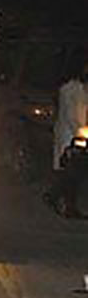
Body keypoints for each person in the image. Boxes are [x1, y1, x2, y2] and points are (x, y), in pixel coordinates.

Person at [44, 59, 88, 217]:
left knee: (72, 173)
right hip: (69, 137)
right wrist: (81, 132)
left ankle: (55, 198)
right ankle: (65, 205)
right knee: (70, 173)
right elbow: (70, 116)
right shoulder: (68, 89)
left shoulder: (81, 89)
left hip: (77, 137)